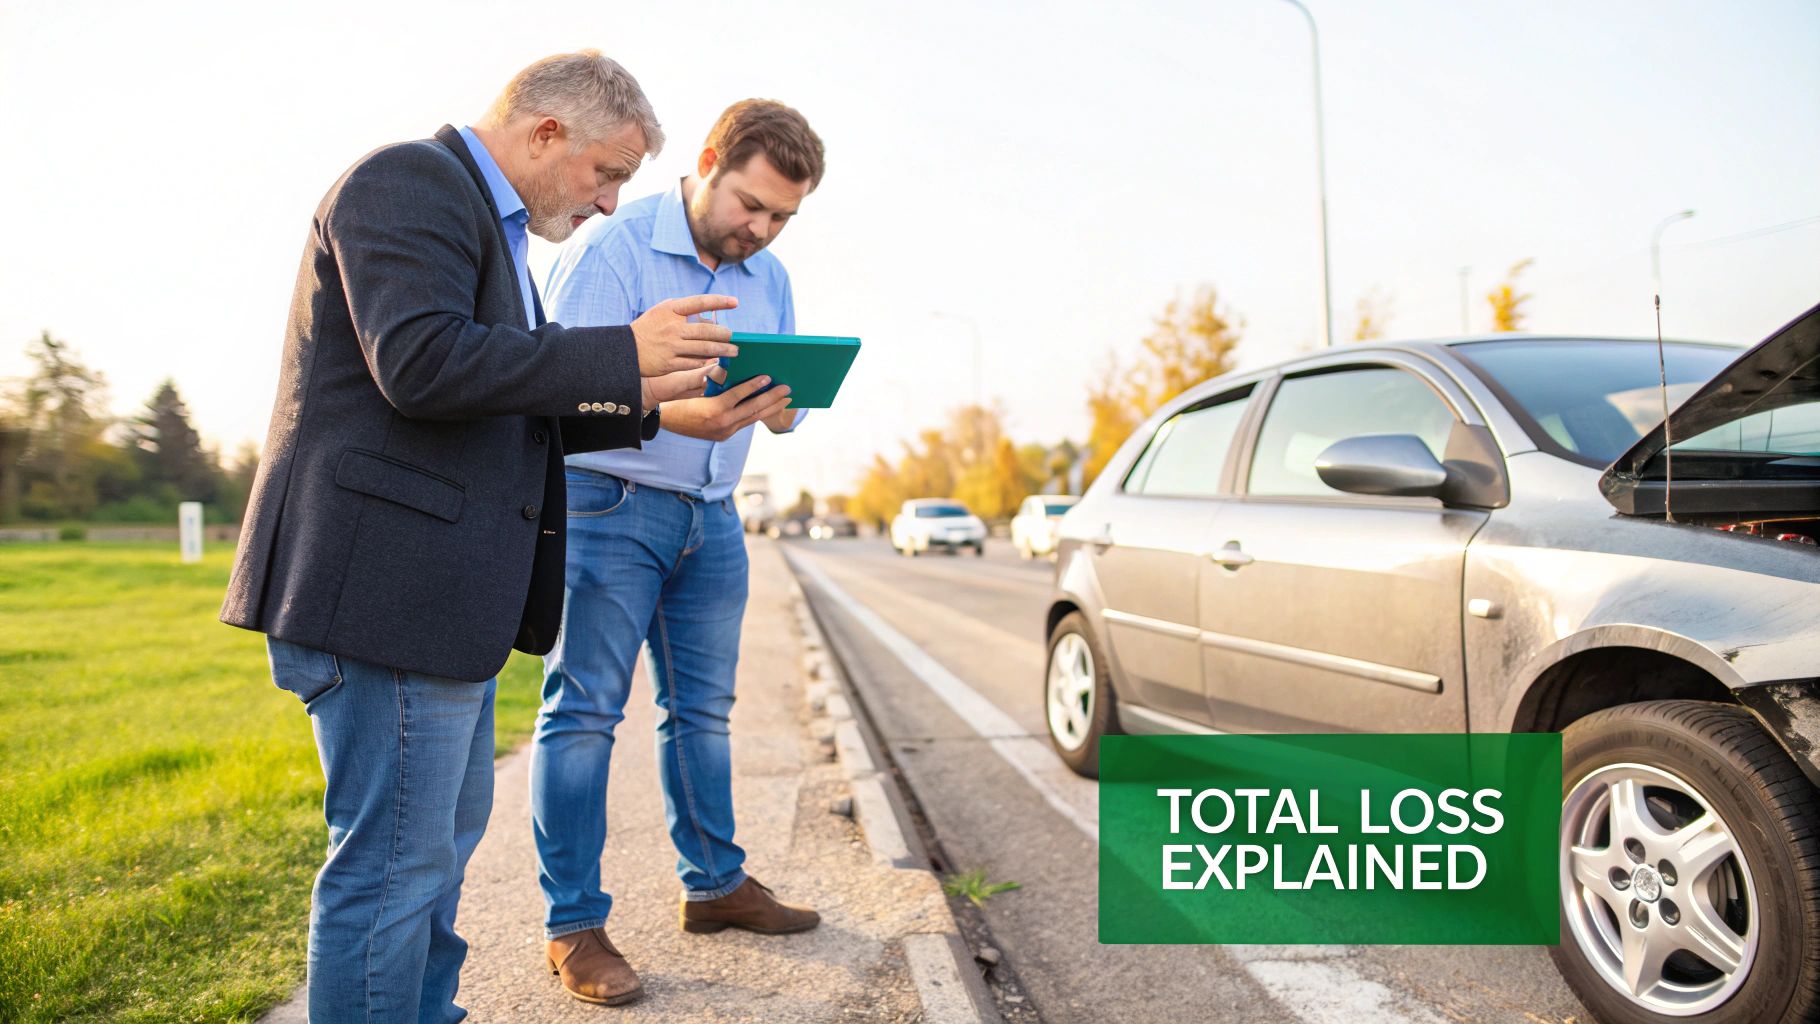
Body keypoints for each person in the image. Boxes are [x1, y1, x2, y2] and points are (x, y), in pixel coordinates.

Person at [220, 51, 738, 1024]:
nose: (606, 202)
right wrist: (620, 351)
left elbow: (501, 399)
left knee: (436, 849)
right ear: (545, 132)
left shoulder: (494, 235)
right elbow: (420, 365)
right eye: (604, 173)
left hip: (424, 602)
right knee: (392, 870)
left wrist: (652, 404)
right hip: (382, 594)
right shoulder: (407, 182)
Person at [531, 99, 826, 1005]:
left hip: (713, 514)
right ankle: (573, 926)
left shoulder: (768, 273)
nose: (762, 229)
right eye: (751, 204)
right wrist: (668, 409)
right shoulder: (609, 250)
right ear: (707, 162)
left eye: (782, 216)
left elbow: (789, 404)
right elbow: (557, 394)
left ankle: (717, 886)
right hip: (609, 506)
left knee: (702, 714)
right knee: (585, 714)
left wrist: (783, 405)